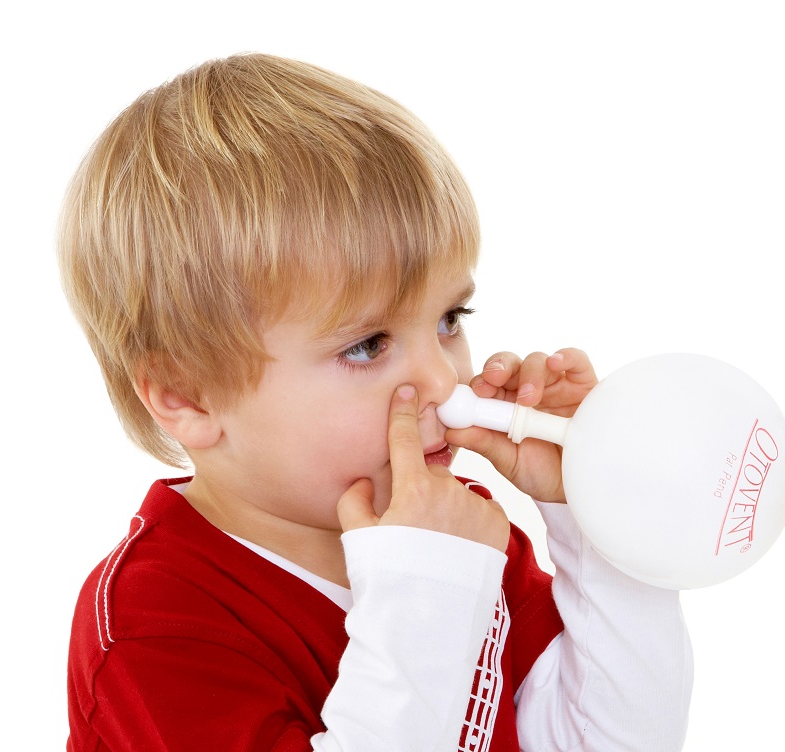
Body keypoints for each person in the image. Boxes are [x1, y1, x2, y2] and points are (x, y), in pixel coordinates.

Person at [59, 53, 693, 751]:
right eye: (367, 345)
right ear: (186, 395)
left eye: (451, 319)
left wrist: (593, 516)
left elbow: (612, 741)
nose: (446, 382)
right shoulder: (155, 624)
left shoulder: (458, 538)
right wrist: (427, 590)